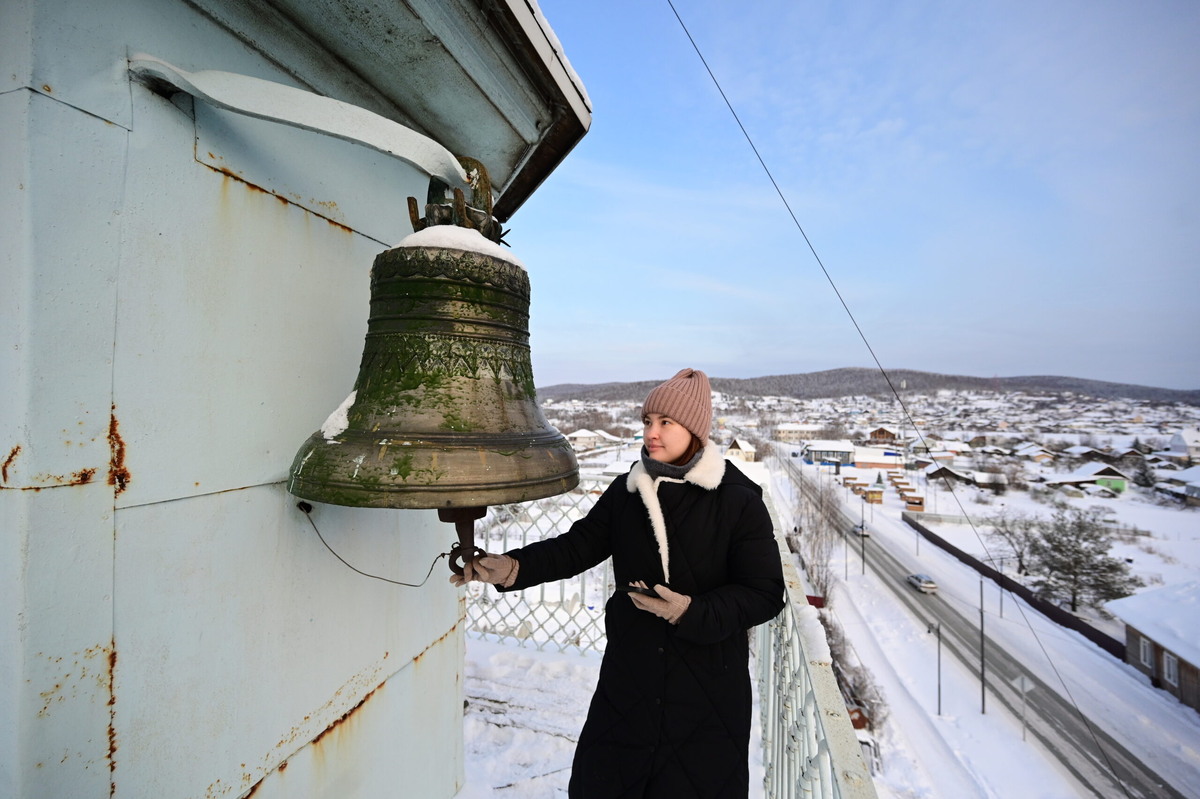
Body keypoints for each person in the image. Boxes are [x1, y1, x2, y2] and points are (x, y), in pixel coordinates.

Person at [451, 367, 785, 798]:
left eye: (666, 422)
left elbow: (764, 594)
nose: (652, 433)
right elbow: (578, 547)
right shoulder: (629, 491)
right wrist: (514, 567)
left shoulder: (738, 500)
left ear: (695, 430)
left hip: (706, 694)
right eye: (648, 421)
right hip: (631, 679)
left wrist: (690, 611)